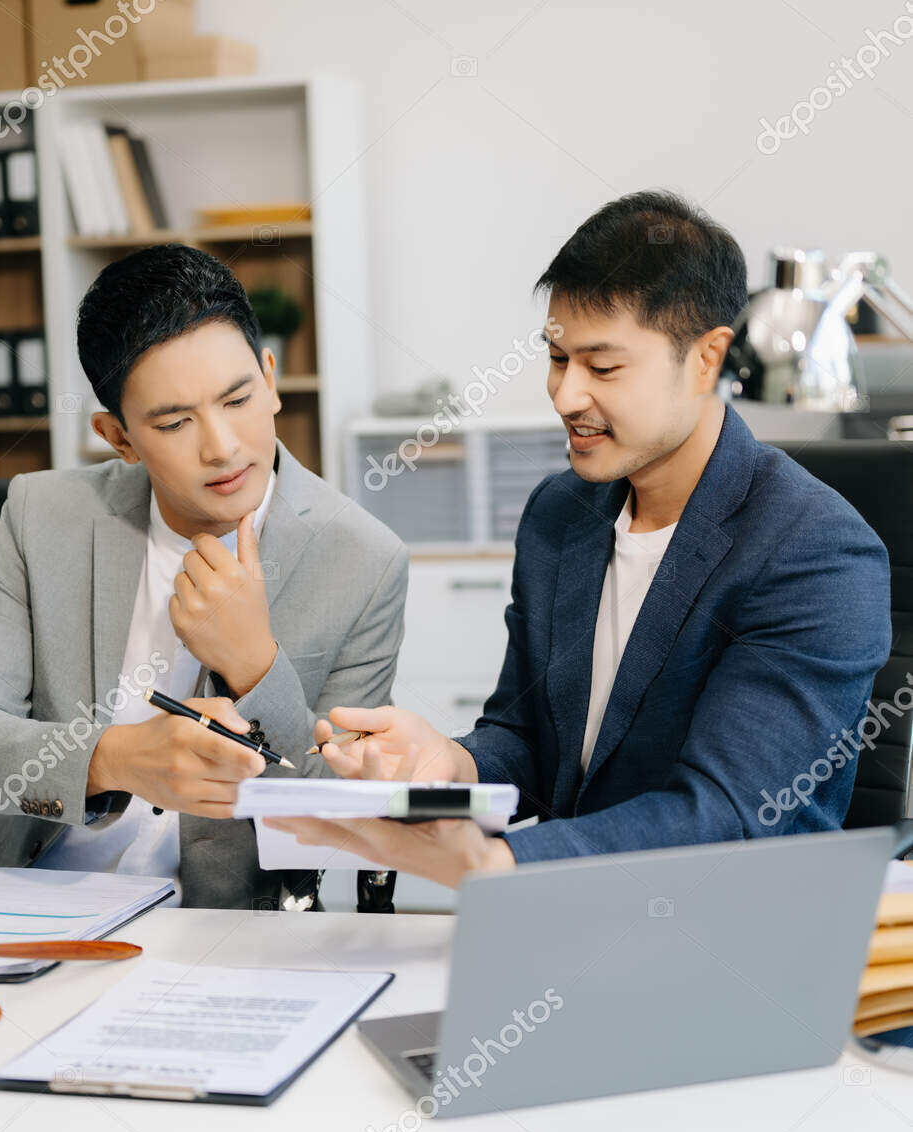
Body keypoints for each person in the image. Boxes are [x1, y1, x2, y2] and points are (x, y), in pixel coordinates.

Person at [267, 190, 893, 887]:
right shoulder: (560, 512)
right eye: (557, 358)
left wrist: (500, 862)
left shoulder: (813, 550)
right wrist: (449, 761)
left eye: (602, 367)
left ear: (708, 359)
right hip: (564, 920)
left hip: (733, 935)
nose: (565, 395)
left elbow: (732, 816)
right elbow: (529, 739)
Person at [0, 244, 408, 910]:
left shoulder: (363, 560)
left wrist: (256, 666)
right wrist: (113, 758)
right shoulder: (40, 517)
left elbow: (342, 806)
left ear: (269, 376)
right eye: (175, 422)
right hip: (23, 908)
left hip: (222, 937)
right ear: (119, 438)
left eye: (237, 400)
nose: (222, 446)